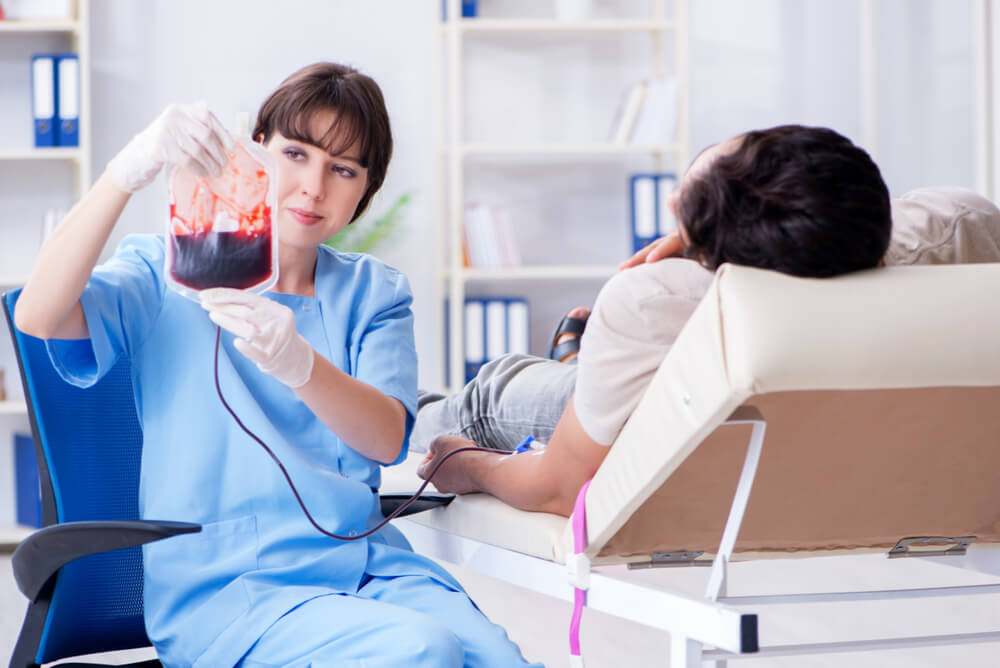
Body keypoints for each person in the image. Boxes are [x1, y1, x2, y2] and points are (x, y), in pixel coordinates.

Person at [14, 62, 541, 668]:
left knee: (499, 660)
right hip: (228, 588)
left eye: (343, 170)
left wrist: (301, 365)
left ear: (363, 194)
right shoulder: (169, 277)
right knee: (422, 651)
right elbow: (38, 315)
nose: (314, 187)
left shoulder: (373, 293)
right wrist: (125, 172)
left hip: (362, 567)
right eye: (296, 154)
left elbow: (387, 437)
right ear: (255, 152)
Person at [413, 124, 1000, 518]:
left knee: (486, 397)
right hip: (868, 465)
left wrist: (467, 465)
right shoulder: (962, 225)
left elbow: (562, 488)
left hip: (668, 418)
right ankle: (583, 364)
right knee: (581, 374)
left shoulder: (653, 303)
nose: (672, 204)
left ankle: (574, 370)